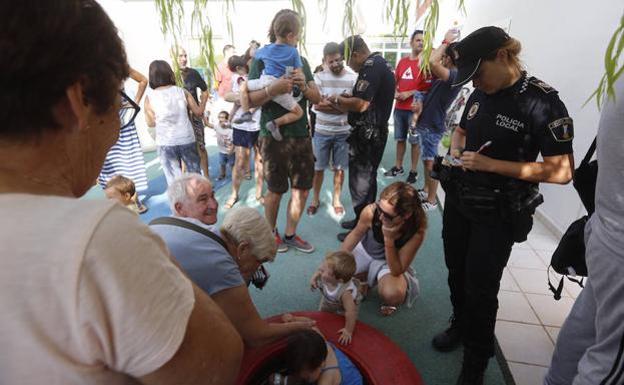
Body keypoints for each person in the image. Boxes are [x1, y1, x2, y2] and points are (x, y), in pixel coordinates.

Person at [0, 1, 243, 384]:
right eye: (117, 100)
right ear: (78, 100)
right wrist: (158, 259)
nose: (116, 125)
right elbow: (218, 363)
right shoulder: (95, 238)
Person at [432, 26, 574, 384]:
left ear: (502, 55)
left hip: (498, 212)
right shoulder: (478, 93)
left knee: (481, 286)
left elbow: (562, 172)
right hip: (461, 198)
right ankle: (460, 326)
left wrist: (492, 165)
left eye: (478, 73)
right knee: (455, 271)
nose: (475, 83)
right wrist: (456, 152)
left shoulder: (542, 102)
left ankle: (477, 359)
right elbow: (462, 131)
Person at [150, 177, 315, 347]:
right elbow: (257, 336)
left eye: (212, 196)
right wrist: (300, 327)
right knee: (233, 344)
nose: (214, 205)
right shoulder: (218, 261)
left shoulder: (167, 224)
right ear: (242, 249)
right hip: (150, 337)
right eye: (259, 261)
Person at [543, 79, 623, 385]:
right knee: (608, 361)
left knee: (589, 328)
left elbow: (561, 170)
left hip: (607, 230)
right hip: (615, 238)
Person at [245, 9, 322, 253]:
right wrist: (272, 89)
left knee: (302, 188)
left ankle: (290, 234)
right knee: (275, 190)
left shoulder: (301, 60)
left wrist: (303, 85)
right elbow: (248, 99)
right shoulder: (261, 59)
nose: (298, 39)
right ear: (288, 33)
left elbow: (316, 97)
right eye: (297, 34)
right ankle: (271, 235)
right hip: (273, 138)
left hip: (300, 135)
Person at [331, 35, 396, 242]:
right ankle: (363, 219)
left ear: (356, 54)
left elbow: (362, 104)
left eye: (347, 60)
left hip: (368, 135)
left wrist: (338, 99)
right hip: (370, 133)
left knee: (361, 183)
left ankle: (363, 227)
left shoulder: (371, 67)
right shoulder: (378, 64)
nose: (348, 65)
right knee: (365, 181)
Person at [341, 182, 426, 316]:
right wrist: (340, 259)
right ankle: (364, 279)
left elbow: (397, 270)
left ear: (406, 215)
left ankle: (372, 283)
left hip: (389, 263)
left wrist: (389, 240)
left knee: (392, 295)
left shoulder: (416, 231)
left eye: (388, 215)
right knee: (337, 273)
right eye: (380, 209)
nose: (380, 217)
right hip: (366, 251)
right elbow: (356, 234)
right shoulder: (371, 210)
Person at [412, 30, 462, 211]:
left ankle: (432, 201)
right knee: (426, 161)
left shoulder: (455, 76)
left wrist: (445, 41)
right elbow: (430, 59)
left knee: (431, 162)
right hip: (427, 122)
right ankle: (426, 190)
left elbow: (433, 61)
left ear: (450, 58)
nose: (443, 59)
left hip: (433, 125)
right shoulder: (445, 74)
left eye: (446, 57)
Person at [236, 11, 304, 141]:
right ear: (290, 36)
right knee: (298, 112)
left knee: (243, 86)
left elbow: (252, 53)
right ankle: (275, 123)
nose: (298, 39)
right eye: (297, 36)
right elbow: (298, 72)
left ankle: (245, 113)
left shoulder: (266, 50)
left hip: (264, 81)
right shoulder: (294, 52)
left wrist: (253, 46)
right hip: (282, 88)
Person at [307, 42, 357, 217]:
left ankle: (336, 200)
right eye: (331, 62)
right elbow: (317, 106)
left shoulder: (353, 77)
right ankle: (315, 199)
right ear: (325, 62)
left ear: (342, 58)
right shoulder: (318, 78)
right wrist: (341, 105)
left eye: (338, 60)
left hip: (344, 132)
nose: (335, 64)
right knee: (318, 168)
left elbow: (353, 107)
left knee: (340, 169)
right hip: (321, 131)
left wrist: (333, 103)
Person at [144, 60, 206, 186]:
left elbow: (150, 123)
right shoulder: (182, 91)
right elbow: (198, 112)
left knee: (174, 183)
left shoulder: (149, 97)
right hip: (186, 138)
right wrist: (204, 100)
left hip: (165, 143)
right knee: (195, 177)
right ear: (170, 73)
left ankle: (179, 204)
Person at [384, 29, 433, 184]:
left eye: (423, 40)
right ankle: (398, 167)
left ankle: (413, 171)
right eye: (418, 40)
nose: (421, 42)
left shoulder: (426, 64)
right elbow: (394, 81)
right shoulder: (403, 62)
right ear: (411, 42)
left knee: (415, 142)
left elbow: (427, 87)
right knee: (399, 139)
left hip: (415, 110)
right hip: (399, 109)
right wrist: (395, 92)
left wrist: (409, 93)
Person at [98, 67, 149, 212]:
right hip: (107, 122)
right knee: (112, 164)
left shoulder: (118, 64)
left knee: (129, 161)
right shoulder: (95, 67)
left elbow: (143, 80)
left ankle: (133, 200)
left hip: (120, 120)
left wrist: (135, 102)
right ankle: (117, 201)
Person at [224, 54, 264, 208]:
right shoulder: (237, 79)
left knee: (260, 160)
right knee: (240, 161)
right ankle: (234, 194)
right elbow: (229, 96)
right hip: (242, 125)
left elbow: (263, 97)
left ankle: (259, 193)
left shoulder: (261, 76)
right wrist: (243, 98)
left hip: (259, 123)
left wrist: (247, 99)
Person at [269, 329, 363, 385]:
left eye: (307, 378)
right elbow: (312, 325)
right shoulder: (319, 343)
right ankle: (289, 380)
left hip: (351, 382)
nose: (303, 376)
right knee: (304, 371)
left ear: (321, 365)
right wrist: (293, 319)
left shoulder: (326, 381)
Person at [309, 251, 362, 345]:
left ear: (339, 280)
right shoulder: (325, 275)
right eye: (323, 267)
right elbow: (318, 271)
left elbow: (351, 312)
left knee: (341, 320)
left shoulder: (345, 293)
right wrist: (314, 279)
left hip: (342, 306)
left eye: (324, 271)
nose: (320, 269)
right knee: (323, 314)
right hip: (328, 299)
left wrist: (348, 330)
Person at [177, 46, 211, 177]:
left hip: (194, 115)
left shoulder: (193, 73)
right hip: (179, 118)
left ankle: (207, 177)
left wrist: (201, 107)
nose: (184, 59)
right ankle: (184, 178)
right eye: (180, 56)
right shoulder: (171, 74)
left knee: (201, 146)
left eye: (185, 55)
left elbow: (205, 90)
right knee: (182, 148)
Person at [207, 111, 235, 181]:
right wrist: (204, 117)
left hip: (230, 150)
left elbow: (234, 142)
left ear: (227, 119)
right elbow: (208, 124)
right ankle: (222, 174)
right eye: (219, 117)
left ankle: (234, 175)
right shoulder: (217, 126)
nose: (220, 119)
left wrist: (231, 150)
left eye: (222, 117)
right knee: (222, 163)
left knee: (232, 164)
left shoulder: (230, 130)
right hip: (222, 151)